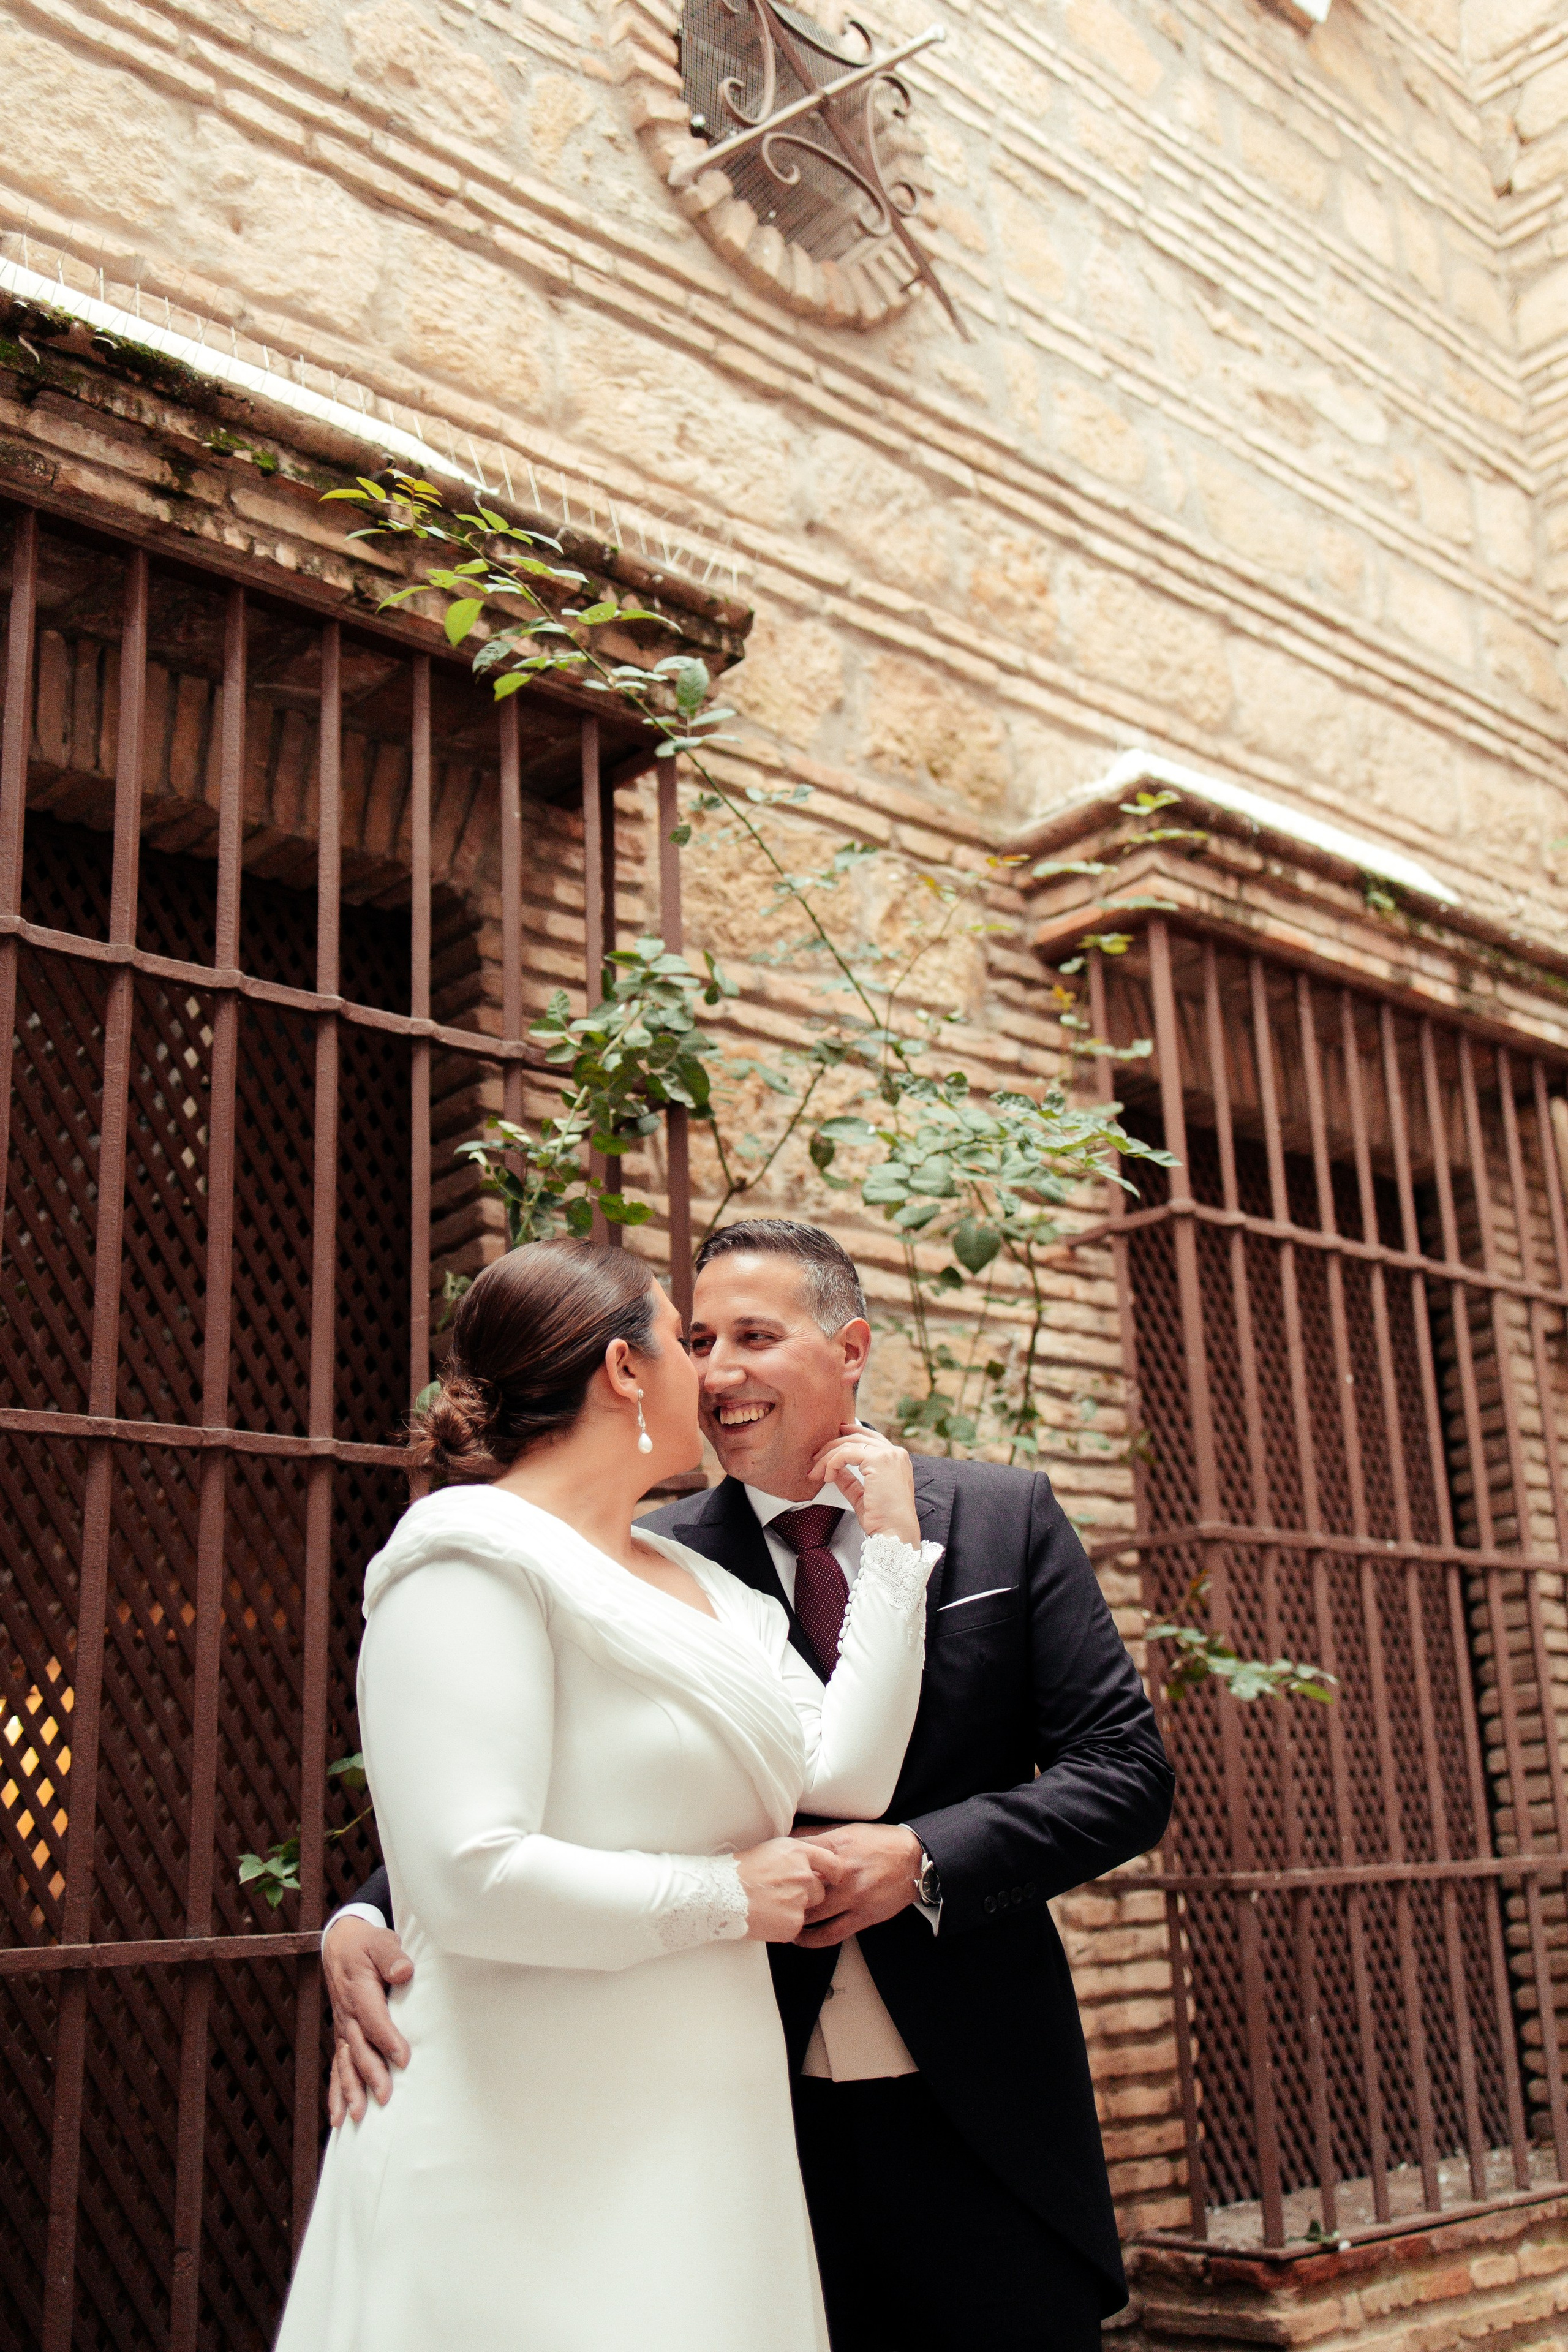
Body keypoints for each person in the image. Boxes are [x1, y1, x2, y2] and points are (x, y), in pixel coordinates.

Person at [325, 1219, 1175, 2351]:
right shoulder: (644, 1551)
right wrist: (372, 1910)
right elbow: (519, 1777)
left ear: (851, 1346)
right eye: (703, 1337)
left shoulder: (1000, 1519)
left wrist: (922, 1858)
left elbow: (1123, 1773)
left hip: (974, 2098)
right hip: (731, 2098)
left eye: (756, 1337)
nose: (721, 1371)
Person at [279, 1237, 941, 2352]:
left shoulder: (710, 1589)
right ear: (625, 1374)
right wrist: (729, 1896)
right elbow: (466, 1878)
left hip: (700, 2119)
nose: (712, 1375)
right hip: (519, 2125)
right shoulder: (465, 1558)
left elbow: (845, 1774)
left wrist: (893, 1547)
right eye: (684, 1343)